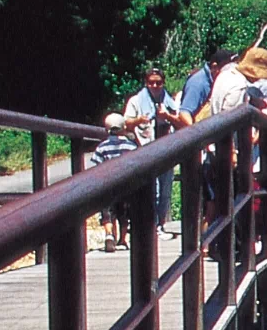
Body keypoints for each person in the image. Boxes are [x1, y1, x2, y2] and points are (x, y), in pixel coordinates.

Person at [125, 67, 193, 234]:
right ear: (146, 83)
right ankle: (152, 225)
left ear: (163, 83)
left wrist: (167, 116)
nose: (155, 85)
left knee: (165, 191)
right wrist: (140, 119)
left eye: (158, 82)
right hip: (147, 150)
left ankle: (161, 223)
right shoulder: (136, 101)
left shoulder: (170, 101)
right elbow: (126, 123)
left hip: (167, 151)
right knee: (152, 190)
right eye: (151, 82)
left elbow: (183, 123)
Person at [89, 113, 141, 252]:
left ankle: (109, 234)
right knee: (123, 214)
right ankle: (122, 240)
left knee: (107, 213)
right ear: (124, 127)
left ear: (106, 129)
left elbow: (96, 166)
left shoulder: (102, 147)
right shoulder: (130, 146)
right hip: (125, 186)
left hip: (107, 186)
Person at [180, 48, 234, 119]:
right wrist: (200, 130)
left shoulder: (216, 80)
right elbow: (184, 114)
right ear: (214, 66)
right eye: (227, 69)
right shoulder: (198, 83)